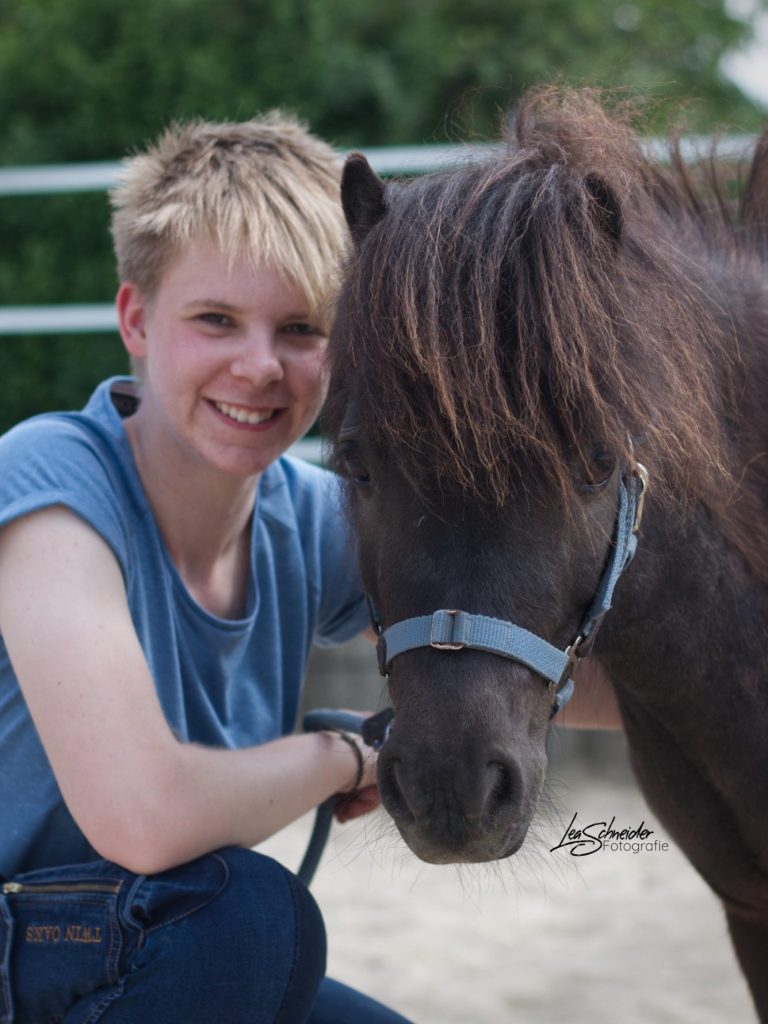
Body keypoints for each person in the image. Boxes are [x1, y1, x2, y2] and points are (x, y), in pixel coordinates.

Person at [0, 115, 410, 1024]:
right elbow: (143, 817)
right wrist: (345, 756)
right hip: (28, 940)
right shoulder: (47, 480)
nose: (260, 366)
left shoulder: (307, 514)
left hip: (143, 941)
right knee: (248, 918)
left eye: (303, 328)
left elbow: (524, 650)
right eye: (216, 319)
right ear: (137, 320)